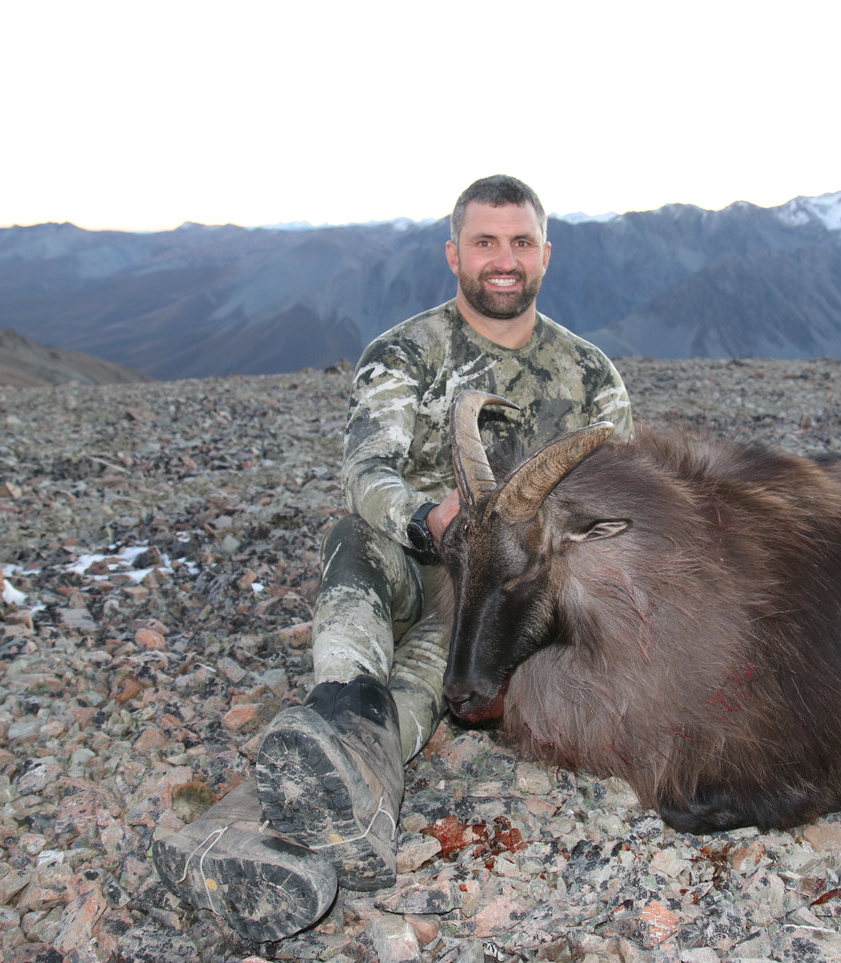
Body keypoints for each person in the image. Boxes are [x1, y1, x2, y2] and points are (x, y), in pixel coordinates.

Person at [151, 174, 633, 940]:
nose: (502, 259)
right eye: (484, 242)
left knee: (441, 665)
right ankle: (344, 703)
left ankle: (280, 805)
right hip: (414, 555)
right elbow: (364, 470)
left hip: (502, 593)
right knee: (350, 537)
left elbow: (617, 503)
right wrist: (423, 515)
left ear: (546, 254)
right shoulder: (405, 352)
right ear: (454, 254)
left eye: (518, 243)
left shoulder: (591, 377)